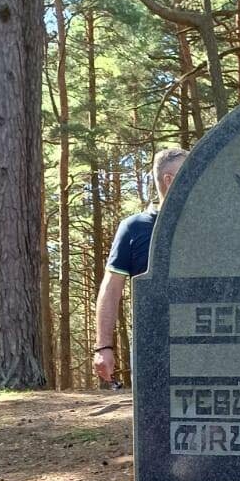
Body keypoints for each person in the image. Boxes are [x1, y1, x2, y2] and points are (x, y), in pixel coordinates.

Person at [93, 147, 188, 387]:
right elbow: (111, 288)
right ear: (169, 180)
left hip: (205, 343)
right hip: (152, 345)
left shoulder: (206, 225)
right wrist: (103, 346)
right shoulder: (134, 227)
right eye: (188, 171)